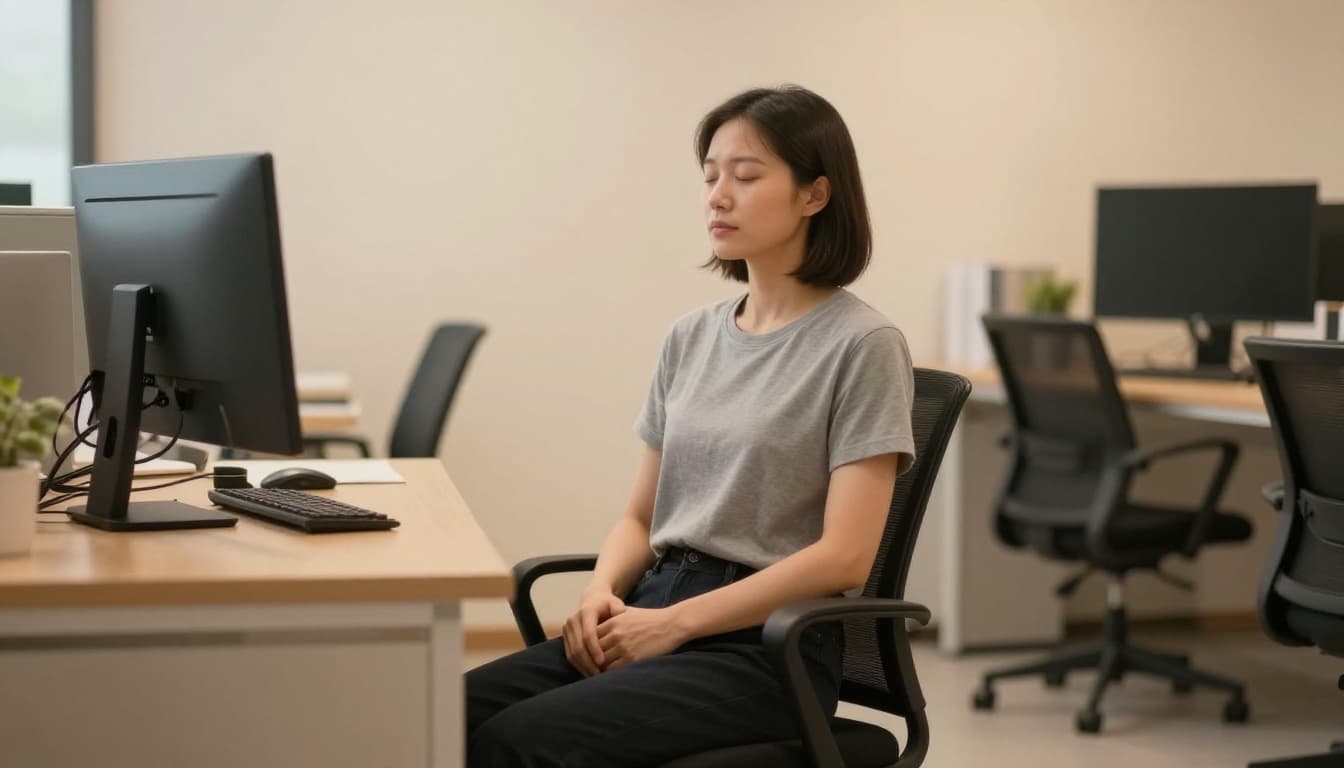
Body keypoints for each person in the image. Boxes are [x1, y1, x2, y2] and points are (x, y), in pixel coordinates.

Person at [465, 84, 915, 767]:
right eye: (710, 177)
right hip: (655, 602)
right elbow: (640, 517)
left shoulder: (863, 344)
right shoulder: (691, 337)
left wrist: (675, 625)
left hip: (766, 647)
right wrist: (599, 592)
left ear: (814, 195)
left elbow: (844, 558)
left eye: (746, 176)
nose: (718, 197)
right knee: (445, 711)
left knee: (517, 742)